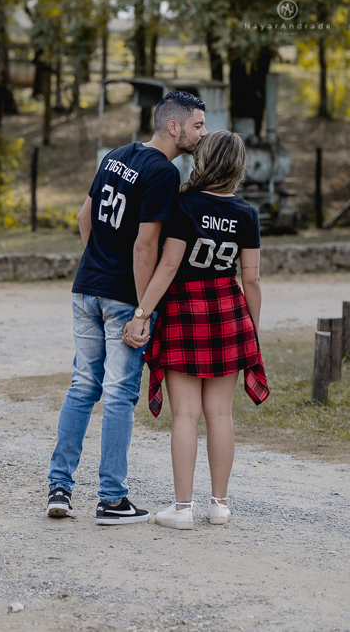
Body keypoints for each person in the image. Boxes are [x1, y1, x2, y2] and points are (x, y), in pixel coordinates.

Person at [46, 91, 208, 525]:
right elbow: (145, 246)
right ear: (174, 128)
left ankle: (59, 489)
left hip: (86, 288)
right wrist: (142, 311)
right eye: (197, 126)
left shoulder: (116, 154)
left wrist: (98, 264)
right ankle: (112, 499)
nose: (202, 133)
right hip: (122, 297)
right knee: (118, 394)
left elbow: (85, 218)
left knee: (82, 387)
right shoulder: (163, 174)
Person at [122, 130, 268, 530]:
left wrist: (142, 312)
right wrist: (251, 330)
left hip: (185, 308)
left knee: (185, 415)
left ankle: (182, 509)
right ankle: (219, 506)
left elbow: (168, 266)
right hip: (227, 309)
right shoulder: (247, 213)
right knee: (220, 413)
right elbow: (251, 280)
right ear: (239, 166)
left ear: (202, 160)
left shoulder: (183, 203)